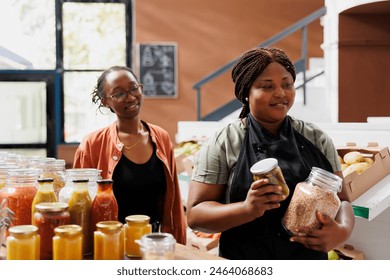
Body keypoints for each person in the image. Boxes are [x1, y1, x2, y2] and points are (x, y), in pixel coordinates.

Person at [186, 47, 355, 259]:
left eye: (287, 84)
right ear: (246, 93)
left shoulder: (316, 139)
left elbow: (343, 200)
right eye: (267, 86)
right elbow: (195, 215)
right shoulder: (225, 142)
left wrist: (343, 230)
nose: (281, 93)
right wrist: (247, 209)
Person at [73, 66, 186, 244]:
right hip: (109, 245)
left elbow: (174, 203)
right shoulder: (91, 144)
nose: (131, 97)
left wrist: (178, 243)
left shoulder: (161, 138)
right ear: (105, 102)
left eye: (134, 88)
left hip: (153, 243)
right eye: (118, 94)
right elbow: (79, 208)